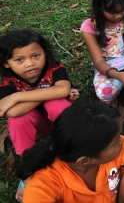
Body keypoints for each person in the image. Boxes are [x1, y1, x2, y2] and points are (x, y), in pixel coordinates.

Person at [17, 98, 124, 203]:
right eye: (116, 141)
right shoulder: (43, 184)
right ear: (84, 161)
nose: (123, 141)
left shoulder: (114, 148)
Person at [0, 29, 76, 202]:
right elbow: (12, 111)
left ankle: (73, 146)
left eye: (36, 55)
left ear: (44, 53)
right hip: (38, 125)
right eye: (20, 59)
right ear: (6, 63)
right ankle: (30, 168)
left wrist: (17, 96)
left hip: (63, 121)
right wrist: (50, 92)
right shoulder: (9, 83)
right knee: (17, 119)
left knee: (56, 103)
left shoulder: (54, 67)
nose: (30, 63)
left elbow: (63, 89)